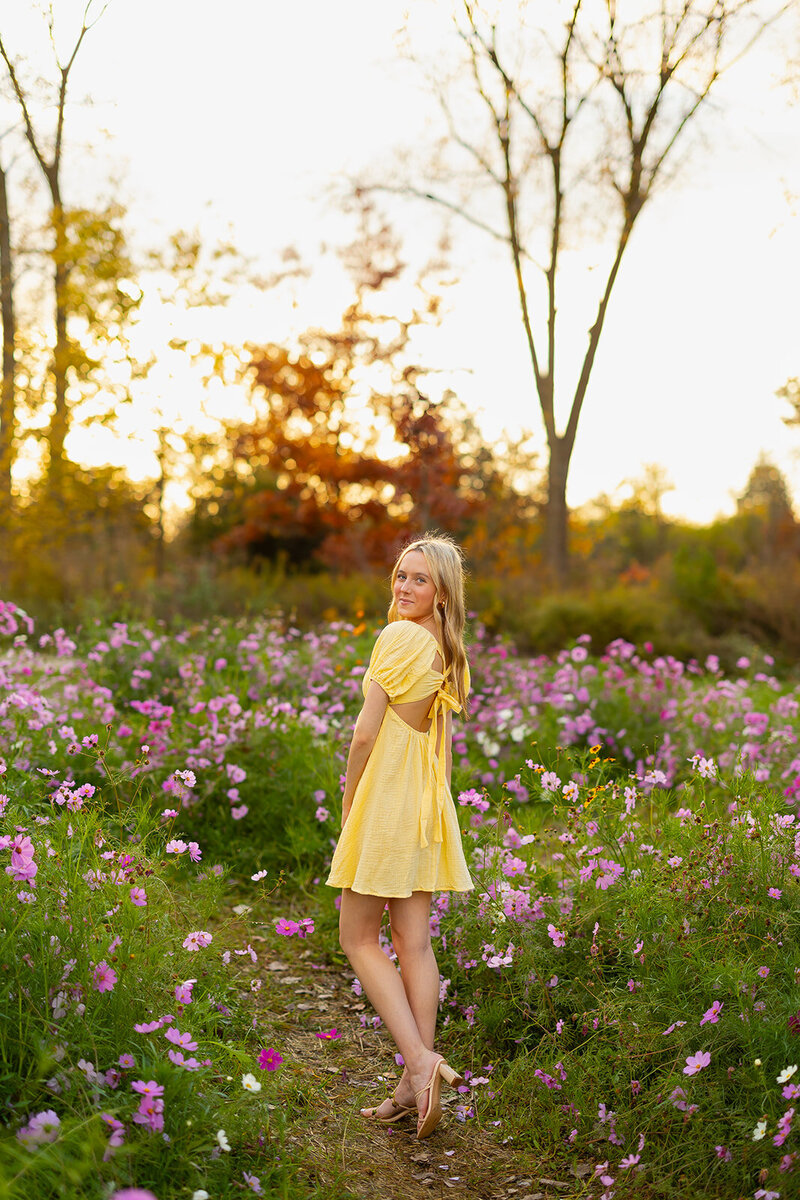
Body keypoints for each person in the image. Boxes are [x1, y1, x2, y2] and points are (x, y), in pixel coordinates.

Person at [326, 533, 474, 1139]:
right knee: (413, 943)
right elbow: (438, 747)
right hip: (422, 799)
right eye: (399, 576)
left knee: (358, 938)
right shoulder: (447, 649)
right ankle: (415, 1089)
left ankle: (420, 1062)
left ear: (441, 591)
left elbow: (365, 734)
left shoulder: (398, 637)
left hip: (388, 794)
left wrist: (349, 799)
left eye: (417, 579)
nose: (404, 587)